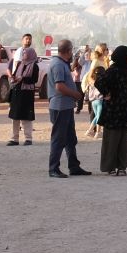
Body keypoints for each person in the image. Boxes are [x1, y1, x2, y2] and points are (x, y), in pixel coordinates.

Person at [46, 40, 90, 179]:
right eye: (71, 51)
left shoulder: (61, 63)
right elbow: (59, 86)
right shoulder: (58, 64)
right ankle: (53, 168)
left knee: (70, 138)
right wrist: (75, 94)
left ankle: (74, 166)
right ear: (68, 50)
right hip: (60, 106)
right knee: (58, 139)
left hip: (66, 106)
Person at [95, 48, 127, 176]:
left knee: (123, 140)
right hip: (113, 110)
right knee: (112, 139)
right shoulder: (112, 71)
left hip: (125, 109)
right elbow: (99, 82)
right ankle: (110, 167)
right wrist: (106, 93)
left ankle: (122, 166)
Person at [5, 44, 40, 146]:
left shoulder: (34, 66)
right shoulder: (20, 64)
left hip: (26, 94)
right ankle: (14, 139)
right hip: (17, 92)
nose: (23, 54)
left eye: (25, 53)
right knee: (15, 117)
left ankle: (28, 138)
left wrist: (23, 79)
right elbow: (14, 74)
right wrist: (14, 78)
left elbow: (34, 80)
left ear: (30, 54)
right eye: (23, 53)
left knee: (26, 116)